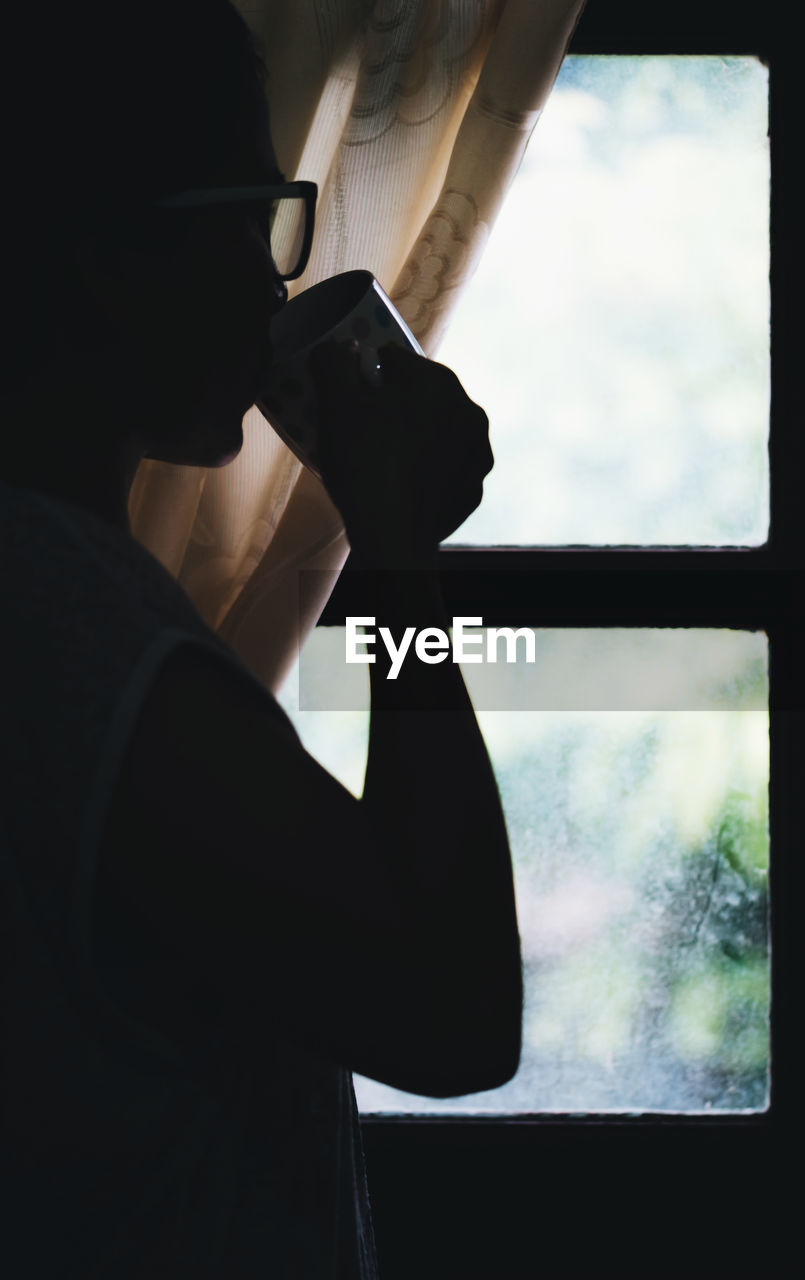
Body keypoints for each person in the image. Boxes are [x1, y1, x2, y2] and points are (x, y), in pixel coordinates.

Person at [0, 2, 522, 1275]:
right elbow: (453, 1015)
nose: (271, 274)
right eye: (248, 216)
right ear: (111, 255)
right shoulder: (57, 615)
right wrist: (398, 559)